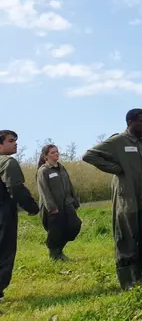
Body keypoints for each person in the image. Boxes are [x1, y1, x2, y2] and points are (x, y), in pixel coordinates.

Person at [82, 109, 142, 290]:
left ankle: (138, 274)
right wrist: (115, 168)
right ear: (130, 122)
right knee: (126, 234)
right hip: (126, 194)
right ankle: (126, 279)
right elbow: (89, 155)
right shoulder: (118, 141)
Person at [0, 130, 39, 305]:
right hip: (3, 214)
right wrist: (31, 207)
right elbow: (16, 188)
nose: (15, 143)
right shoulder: (8, 162)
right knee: (4, 253)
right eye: (11, 141)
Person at [36, 144, 82, 259]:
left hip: (67, 203)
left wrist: (75, 201)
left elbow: (69, 185)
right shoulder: (43, 170)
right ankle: (55, 254)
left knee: (75, 225)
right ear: (45, 156)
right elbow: (44, 191)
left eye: (57, 151)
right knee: (56, 230)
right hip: (53, 206)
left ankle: (59, 249)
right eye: (52, 152)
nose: (56, 154)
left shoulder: (62, 168)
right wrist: (51, 207)